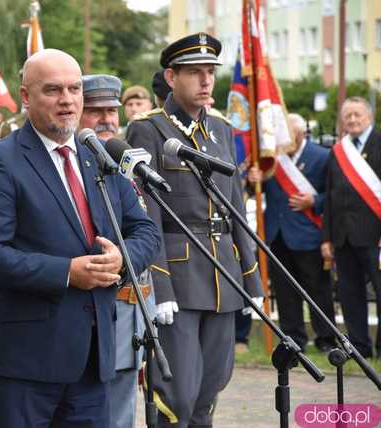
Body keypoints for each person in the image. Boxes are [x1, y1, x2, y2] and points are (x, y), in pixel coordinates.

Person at [0, 49, 161, 428]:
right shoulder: (0, 160)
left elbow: (145, 230)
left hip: (92, 360)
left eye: (74, 89)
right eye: (53, 90)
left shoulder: (100, 157)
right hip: (24, 362)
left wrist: (122, 259)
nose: (67, 100)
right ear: (25, 96)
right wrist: (67, 272)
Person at [127, 33, 263, 427]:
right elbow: (146, 212)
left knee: (211, 386)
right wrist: (161, 285)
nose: (206, 81)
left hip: (222, 274)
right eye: (195, 73)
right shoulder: (148, 130)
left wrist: (251, 279)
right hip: (180, 280)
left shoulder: (221, 129)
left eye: (210, 73)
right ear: (171, 78)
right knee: (177, 393)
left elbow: (235, 206)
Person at [79, 74, 164, 428]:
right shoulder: (71, 165)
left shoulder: (127, 160)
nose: (107, 119)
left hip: (133, 309)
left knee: (121, 415)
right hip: (88, 313)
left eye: (112, 110)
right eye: (95, 111)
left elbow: (148, 229)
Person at [248, 113, 336, 352]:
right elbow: (256, 189)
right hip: (276, 234)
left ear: (302, 133)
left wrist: (314, 200)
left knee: (318, 290)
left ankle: (326, 339)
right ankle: (293, 340)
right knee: (285, 291)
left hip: (309, 234)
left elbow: (335, 194)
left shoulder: (322, 155)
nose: (284, 139)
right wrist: (252, 178)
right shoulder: (271, 158)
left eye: (289, 134)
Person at [322, 96, 381, 359]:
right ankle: (359, 347)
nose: (353, 120)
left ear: (369, 117)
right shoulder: (338, 151)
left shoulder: (379, 142)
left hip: (374, 236)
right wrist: (327, 238)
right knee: (350, 295)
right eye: (348, 116)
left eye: (358, 115)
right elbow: (330, 197)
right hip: (343, 237)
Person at [78, 74, 121, 141]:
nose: (107, 120)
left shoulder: (126, 150)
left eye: (111, 110)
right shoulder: (66, 151)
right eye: (96, 112)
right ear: (77, 115)